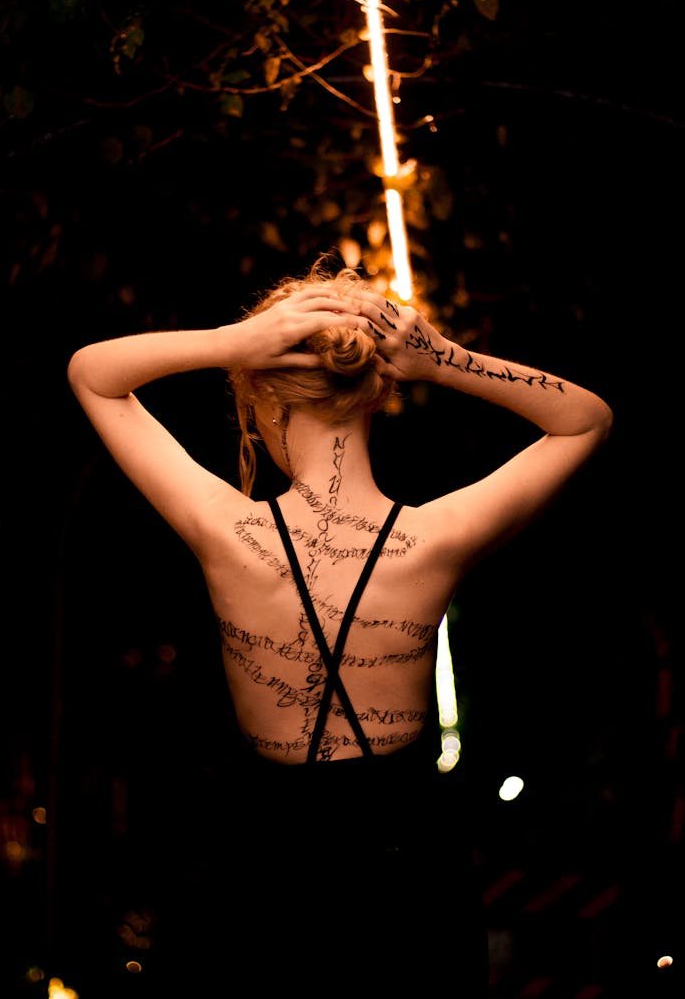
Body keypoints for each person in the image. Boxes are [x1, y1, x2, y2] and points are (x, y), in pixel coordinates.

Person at [66, 259, 612, 995]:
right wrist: (444, 361)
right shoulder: (435, 539)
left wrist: (234, 342)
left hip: (268, 873)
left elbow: (93, 372)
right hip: (412, 874)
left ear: (259, 392)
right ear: (379, 393)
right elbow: (586, 419)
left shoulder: (227, 532)